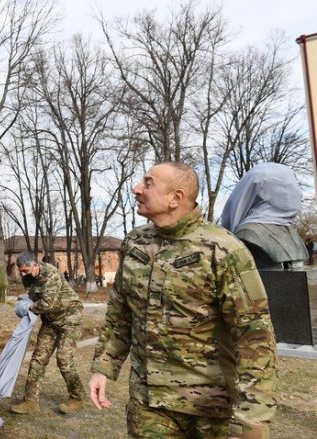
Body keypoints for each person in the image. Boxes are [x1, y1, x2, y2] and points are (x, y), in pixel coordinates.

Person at [89, 162, 277, 439]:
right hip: (149, 405)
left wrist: (250, 423)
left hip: (212, 408)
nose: (137, 189)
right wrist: (103, 367)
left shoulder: (223, 249)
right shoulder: (135, 243)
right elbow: (120, 314)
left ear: (175, 198)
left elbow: (254, 337)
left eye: (148, 183)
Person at [10, 251, 86, 415]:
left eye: (25, 270)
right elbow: (33, 298)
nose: (22, 274)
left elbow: (46, 304)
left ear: (35, 265)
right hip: (51, 321)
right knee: (38, 358)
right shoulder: (27, 278)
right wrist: (26, 303)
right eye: (20, 271)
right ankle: (30, 401)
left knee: (64, 358)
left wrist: (28, 307)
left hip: (70, 317)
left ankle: (77, 397)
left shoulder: (51, 274)